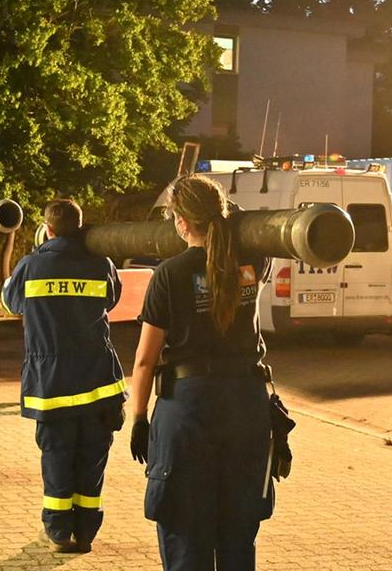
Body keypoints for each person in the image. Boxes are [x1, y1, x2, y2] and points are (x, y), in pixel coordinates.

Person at [128, 174, 275, 571]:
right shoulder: (251, 264)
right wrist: (225, 212)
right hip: (245, 404)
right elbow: (244, 225)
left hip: (188, 409)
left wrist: (139, 419)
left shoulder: (170, 275)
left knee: (185, 532)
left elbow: (145, 360)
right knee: (238, 528)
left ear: (180, 222)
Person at [2, 199, 127, 554]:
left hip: (52, 383)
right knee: (92, 459)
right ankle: (86, 531)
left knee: (57, 458)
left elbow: (11, 303)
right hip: (98, 380)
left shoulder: (32, 265)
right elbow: (112, 299)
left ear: (48, 228)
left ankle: (58, 533)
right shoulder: (101, 263)